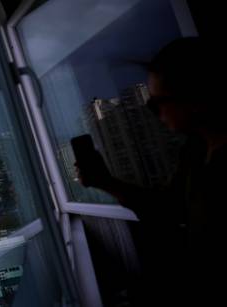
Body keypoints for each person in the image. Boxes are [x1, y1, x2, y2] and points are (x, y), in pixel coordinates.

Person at [76, 37, 224, 305]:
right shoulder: (196, 151)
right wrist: (105, 182)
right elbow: (170, 208)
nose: (154, 113)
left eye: (158, 103)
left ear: (195, 99)